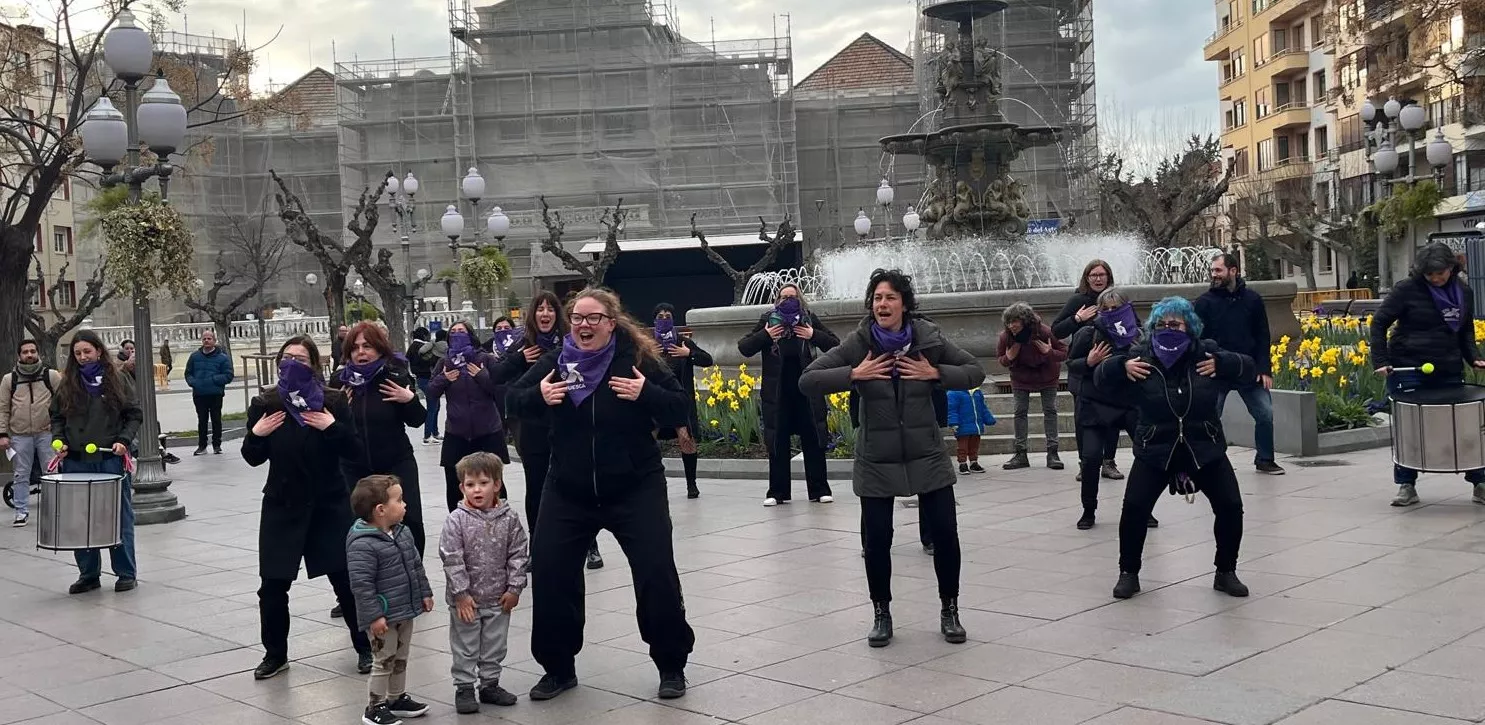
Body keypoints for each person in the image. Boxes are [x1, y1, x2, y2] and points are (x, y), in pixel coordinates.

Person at [507, 288, 695, 702]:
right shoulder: (556, 362)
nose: (584, 325)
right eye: (577, 317)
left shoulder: (638, 360)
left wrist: (645, 393)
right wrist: (539, 396)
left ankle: (671, 665)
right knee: (553, 574)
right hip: (568, 489)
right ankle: (557, 668)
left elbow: (680, 407)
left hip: (635, 486)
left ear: (611, 322)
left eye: (593, 318)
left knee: (656, 574)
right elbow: (512, 398)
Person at [799, 269, 985, 648]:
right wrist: (855, 373)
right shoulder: (860, 342)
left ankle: (950, 610)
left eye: (890, 298)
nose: (882, 305)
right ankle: (881, 613)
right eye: (877, 298)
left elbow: (975, 371)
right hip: (877, 458)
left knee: (946, 536)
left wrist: (935, 373)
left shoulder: (928, 340)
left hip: (927, 455)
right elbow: (808, 380)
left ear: (905, 304)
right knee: (878, 540)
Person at [1096, 297, 1253, 600]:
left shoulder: (1206, 353)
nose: (1169, 329)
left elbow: (1247, 368)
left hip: (1203, 445)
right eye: (1162, 324)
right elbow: (1101, 379)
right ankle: (1128, 573)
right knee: (1134, 509)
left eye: (1175, 324)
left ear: (1189, 327)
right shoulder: (1140, 356)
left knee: (1231, 506)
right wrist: (1120, 365)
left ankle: (1226, 571)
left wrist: (1224, 364)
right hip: (1156, 446)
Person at [241, 335, 372, 680]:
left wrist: (332, 427)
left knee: (344, 580)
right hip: (282, 506)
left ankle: (366, 647)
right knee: (272, 586)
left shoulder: (331, 401)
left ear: (314, 364)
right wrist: (256, 434)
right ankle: (275, 654)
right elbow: (252, 457)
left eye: (301, 358)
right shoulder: (266, 403)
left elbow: (355, 452)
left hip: (327, 504)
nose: (293, 364)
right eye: (287, 358)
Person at [1371, 242, 1485, 506]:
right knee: (1408, 428)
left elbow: (1465, 331)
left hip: (1447, 367)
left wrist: (1474, 358)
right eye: (1429, 274)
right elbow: (1379, 323)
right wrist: (1381, 360)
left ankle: (1479, 482)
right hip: (1408, 368)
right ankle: (1406, 486)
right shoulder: (1406, 290)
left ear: (1451, 268)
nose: (1435, 278)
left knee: (1464, 426)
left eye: (1440, 273)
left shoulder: (1464, 292)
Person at [500, 292, 604, 571]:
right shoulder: (522, 345)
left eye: (550, 309)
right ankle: (538, 546)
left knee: (578, 483)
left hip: (568, 425)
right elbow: (497, 379)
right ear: (532, 315)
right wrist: (519, 361)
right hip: (534, 429)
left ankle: (590, 544)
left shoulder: (574, 343)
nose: (545, 314)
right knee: (537, 489)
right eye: (539, 309)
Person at [50, 330, 142, 594]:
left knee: (118, 517)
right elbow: (56, 416)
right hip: (77, 462)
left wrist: (124, 440)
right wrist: (59, 440)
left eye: (87, 352)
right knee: (81, 519)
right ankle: (88, 574)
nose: (82, 357)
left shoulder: (118, 379)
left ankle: (126, 572)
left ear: (99, 351)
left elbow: (134, 414)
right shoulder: (68, 383)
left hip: (109, 459)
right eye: (77, 353)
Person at [738, 284, 840, 506]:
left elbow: (835, 344)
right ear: (777, 301)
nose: (787, 301)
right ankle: (777, 492)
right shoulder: (768, 319)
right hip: (777, 392)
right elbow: (744, 347)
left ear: (800, 299)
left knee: (813, 439)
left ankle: (819, 489)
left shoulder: (808, 318)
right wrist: (766, 335)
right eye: (783, 297)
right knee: (777, 441)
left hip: (806, 391)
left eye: (792, 297)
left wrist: (813, 334)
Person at [441, 452, 527, 713]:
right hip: (467, 601)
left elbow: (518, 553)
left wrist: (515, 587)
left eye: (483, 483)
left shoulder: (509, 518)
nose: (476, 490)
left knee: (494, 644)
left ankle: (490, 684)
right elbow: (451, 558)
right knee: (466, 645)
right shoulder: (457, 520)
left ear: (497, 485)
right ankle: (464, 687)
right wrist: (461, 594)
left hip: (498, 598)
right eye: (470, 484)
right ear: (461, 487)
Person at [331, 322, 427, 555]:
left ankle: (411, 574)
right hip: (354, 466)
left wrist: (409, 399)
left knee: (408, 520)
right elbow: (331, 430)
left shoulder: (394, 375)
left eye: (367, 346)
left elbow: (417, 420)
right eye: (355, 348)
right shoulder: (339, 382)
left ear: (379, 348)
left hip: (395, 462)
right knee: (356, 524)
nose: (361, 352)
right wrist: (338, 409)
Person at [346, 474, 434, 725]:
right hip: (382, 616)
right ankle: (375, 706)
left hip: (404, 609)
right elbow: (361, 586)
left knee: (401, 657)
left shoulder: (402, 533)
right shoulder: (363, 544)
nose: (405, 504)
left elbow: (416, 566)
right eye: (400, 500)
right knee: (383, 660)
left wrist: (424, 593)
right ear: (381, 510)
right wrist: (374, 616)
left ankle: (396, 698)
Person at [1066, 288, 1156, 531]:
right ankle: (1088, 510)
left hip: (1130, 403)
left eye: (1116, 308)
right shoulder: (1088, 334)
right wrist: (1089, 362)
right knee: (1091, 457)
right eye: (1106, 309)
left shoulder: (1140, 335)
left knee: (1146, 456)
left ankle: (1144, 509)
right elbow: (1071, 366)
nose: (1111, 313)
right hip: (1095, 404)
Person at [1196, 253, 1285, 475]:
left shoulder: (1253, 299)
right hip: (1216, 370)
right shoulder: (1204, 302)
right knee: (1209, 417)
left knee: (1265, 414)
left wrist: (1264, 369)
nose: (1214, 275)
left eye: (1219, 270)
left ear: (1233, 271)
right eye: (1213, 270)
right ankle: (1211, 460)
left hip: (1249, 370)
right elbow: (1197, 339)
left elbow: (1263, 335)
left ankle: (1265, 459)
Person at [1052, 260, 1124, 483]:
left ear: (1108, 276)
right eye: (1093, 275)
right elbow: (1056, 330)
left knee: (1112, 417)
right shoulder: (1078, 300)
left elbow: (1133, 327)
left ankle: (1109, 461)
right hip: (1082, 368)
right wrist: (1077, 319)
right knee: (1083, 420)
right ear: (1086, 277)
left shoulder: (1116, 300)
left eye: (1102, 274)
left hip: (1110, 370)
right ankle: (1086, 464)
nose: (1098, 279)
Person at [428, 321, 511, 512]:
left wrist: (482, 376)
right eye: (453, 332)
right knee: (454, 485)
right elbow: (431, 392)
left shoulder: (485, 359)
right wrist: (444, 379)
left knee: (494, 482)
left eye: (462, 332)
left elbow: (500, 390)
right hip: (456, 432)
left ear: (470, 335)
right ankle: (457, 526)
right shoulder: (444, 362)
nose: (457, 335)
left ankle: (501, 519)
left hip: (487, 431)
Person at [997, 303, 1067, 470]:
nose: (1011, 325)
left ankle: (1053, 452)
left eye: (1015, 321)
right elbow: (1001, 359)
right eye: (1009, 322)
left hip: (1047, 376)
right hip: (1021, 378)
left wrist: (1049, 352)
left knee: (1050, 410)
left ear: (1025, 321)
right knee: (1019, 411)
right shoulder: (1005, 337)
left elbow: (1064, 352)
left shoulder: (1044, 332)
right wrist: (1008, 358)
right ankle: (1020, 453)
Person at [654, 303, 714, 499]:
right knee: (648, 440)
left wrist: (689, 354)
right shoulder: (647, 344)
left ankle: (691, 484)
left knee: (686, 438)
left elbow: (708, 359)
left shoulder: (682, 342)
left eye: (668, 316)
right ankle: (651, 482)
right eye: (660, 316)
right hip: (654, 400)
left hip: (679, 400)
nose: (664, 319)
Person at [0, 340, 61, 527]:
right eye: (25, 352)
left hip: (47, 433)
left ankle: (55, 510)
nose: (29, 355)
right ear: (19, 355)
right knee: (21, 474)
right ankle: (21, 512)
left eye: (33, 351)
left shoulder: (51, 376)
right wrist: (2, 433)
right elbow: (3, 408)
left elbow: (63, 404)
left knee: (51, 473)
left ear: (38, 353)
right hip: (20, 435)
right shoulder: (9, 380)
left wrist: (61, 431)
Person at [184, 330, 234, 456]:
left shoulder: (222, 358)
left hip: (215, 394)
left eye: (209, 338)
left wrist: (214, 380)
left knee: (216, 419)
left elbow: (228, 375)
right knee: (202, 420)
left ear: (214, 341)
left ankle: (217, 445)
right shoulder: (194, 356)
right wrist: (194, 382)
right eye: (204, 339)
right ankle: (202, 446)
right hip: (199, 394)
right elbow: (188, 373)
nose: (206, 341)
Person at [407, 327, 442, 445]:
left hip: (421, 379)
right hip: (426, 378)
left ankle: (434, 432)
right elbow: (428, 361)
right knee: (433, 407)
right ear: (424, 335)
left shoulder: (412, 347)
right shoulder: (422, 347)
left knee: (435, 405)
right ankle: (428, 435)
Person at [946, 386, 993, 475]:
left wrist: (988, 418)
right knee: (962, 446)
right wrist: (953, 422)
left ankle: (973, 462)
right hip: (962, 425)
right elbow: (951, 409)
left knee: (974, 445)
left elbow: (982, 407)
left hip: (976, 425)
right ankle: (962, 463)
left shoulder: (977, 392)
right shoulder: (953, 392)